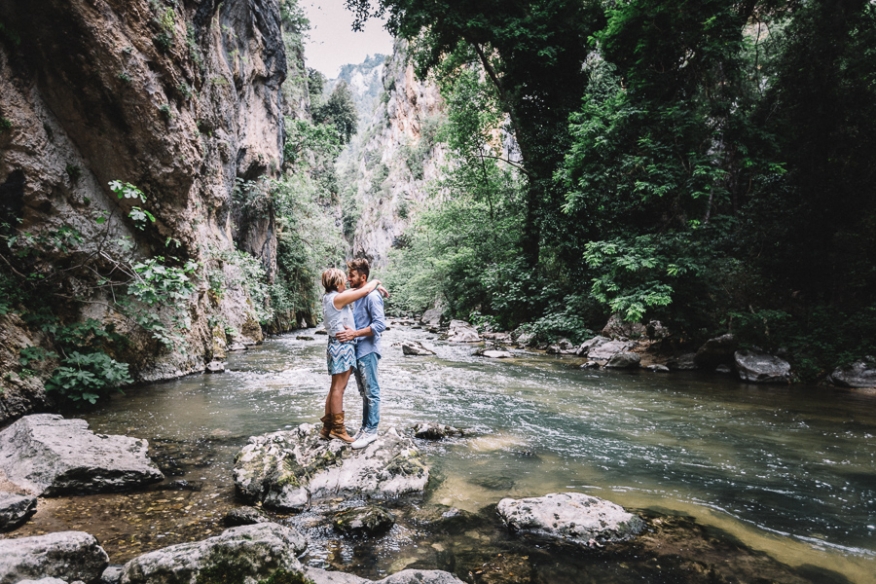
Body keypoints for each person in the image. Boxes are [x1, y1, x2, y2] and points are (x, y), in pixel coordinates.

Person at [319, 267, 384, 443]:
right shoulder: (338, 299)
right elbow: (364, 290)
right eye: (343, 279)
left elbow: (356, 291)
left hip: (335, 345)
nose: (346, 281)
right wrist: (376, 282)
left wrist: (375, 288)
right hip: (343, 346)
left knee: (334, 388)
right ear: (337, 283)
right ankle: (338, 430)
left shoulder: (329, 297)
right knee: (339, 389)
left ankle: (327, 428)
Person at [336, 258, 386, 450]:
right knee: (363, 392)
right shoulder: (359, 294)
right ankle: (365, 428)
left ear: (363, 277)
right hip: (358, 349)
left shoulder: (372, 297)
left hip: (368, 350)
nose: (348, 278)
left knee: (371, 392)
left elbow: (380, 325)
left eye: (352, 275)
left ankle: (371, 432)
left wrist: (354, 333)